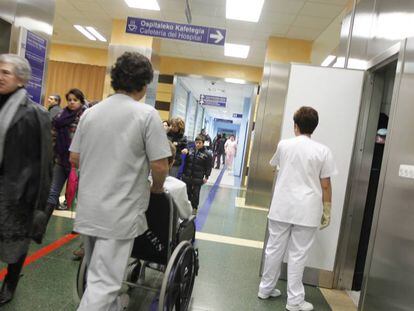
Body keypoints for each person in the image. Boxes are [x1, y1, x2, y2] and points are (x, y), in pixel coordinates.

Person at [70, 52, 171, 311]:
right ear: (144, 84)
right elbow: (160, 164)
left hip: (89, 207)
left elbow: (74, 157)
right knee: (105, 284)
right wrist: (157, 187)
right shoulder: (146, 115)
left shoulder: (90, 113)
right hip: (119, 212)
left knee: (97, 274)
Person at [258, 107, 337, 311]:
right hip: (307, 209)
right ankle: (294, 301)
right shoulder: (323, 151)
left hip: (282, 206)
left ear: (295, 125)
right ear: (314, 127)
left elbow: (276, 167)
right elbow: (326, 184)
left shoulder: (284, 145)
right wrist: (327, 210)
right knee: (298, 254)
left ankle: (265, 289)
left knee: (274, 249)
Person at [0, 54, 53, 306]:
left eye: (5, 72)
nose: (0, 76)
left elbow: (44, 162)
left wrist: (39, 202)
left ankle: (10, 282)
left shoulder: (36, 114)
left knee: (15, 239)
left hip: (17, 189)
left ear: (21, 79)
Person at [46, 88, 86, 211]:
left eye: (75, 100)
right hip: (61, 160)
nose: (72, 102)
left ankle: (77, 228)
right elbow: (52, 136)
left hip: (79, 163)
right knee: (52, 192)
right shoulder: (60, 116)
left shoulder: (86, 116)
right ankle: (41, 226)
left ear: (81, 101)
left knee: (79, 196)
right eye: (69, 100)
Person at [150, 141, 192, 221]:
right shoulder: (178, 187)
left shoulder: (138, 184)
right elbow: (186, 214)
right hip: (165, 231)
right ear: (172, 163)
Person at [182, 136, 213, 214]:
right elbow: (186, 163)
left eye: (200, 143)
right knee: (188, 192)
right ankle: (188, 207)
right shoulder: (190, 151)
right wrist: (183, 173)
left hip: (198, 177)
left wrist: (206, 176)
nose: (198, 144)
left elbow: (209, 166)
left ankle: (194, 208)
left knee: (196, 193)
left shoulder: (207, 154)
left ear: (203, 143)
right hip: (188, 175)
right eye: (196, 143)